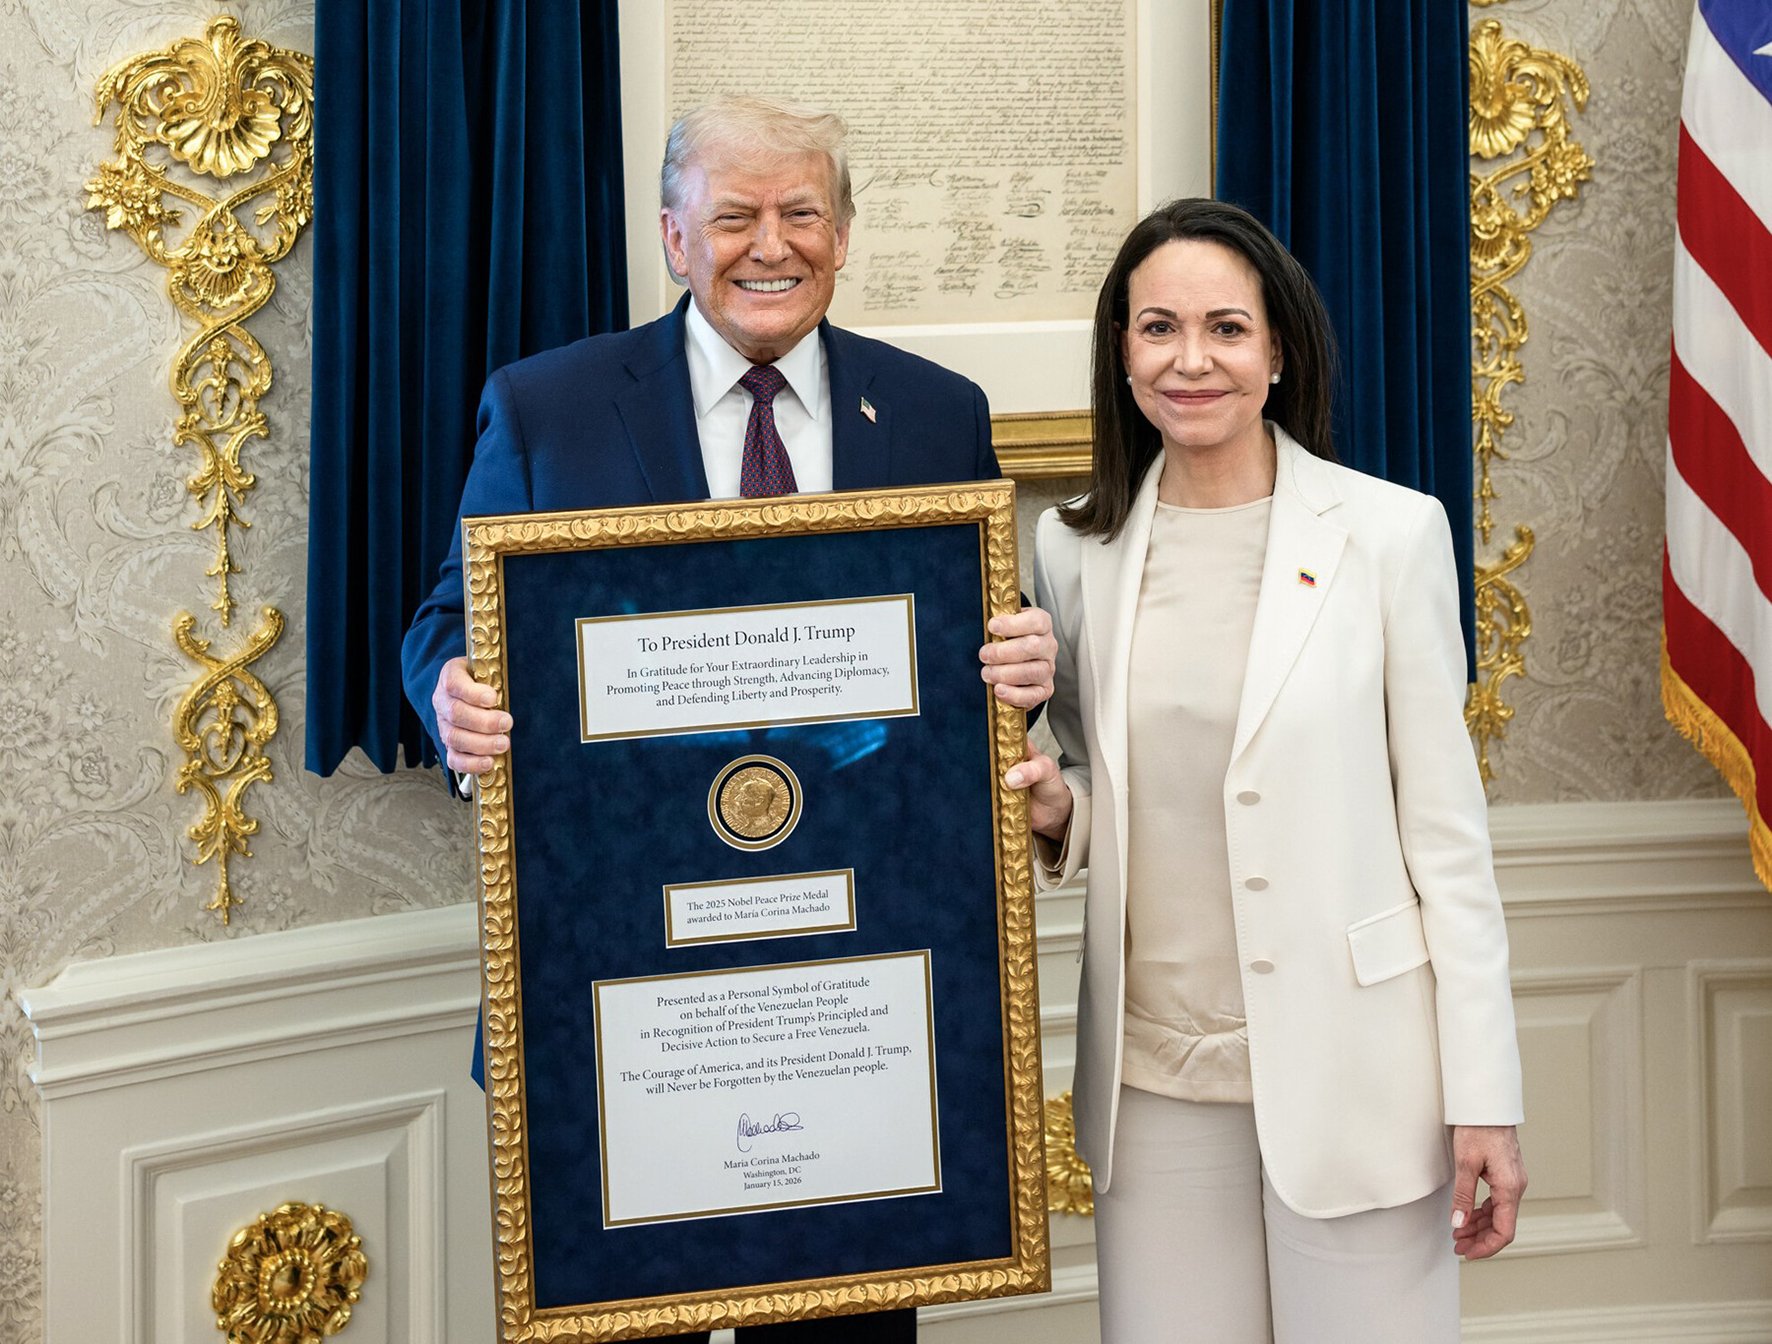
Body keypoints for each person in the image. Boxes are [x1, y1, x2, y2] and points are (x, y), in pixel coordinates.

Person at [401, 97, 1056, 1344]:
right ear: (672, 236)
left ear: (843, 233)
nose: (773, 245)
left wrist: (1017, 656)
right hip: (618, 975)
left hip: (852, 982)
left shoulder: (933, 413)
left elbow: (967, 639)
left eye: (802, 213)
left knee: (841, 1325)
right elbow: (450, 619)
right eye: (736, 216)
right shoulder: (549, 406)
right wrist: (451, 695)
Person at [1004, 198, 1526, 1343]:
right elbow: (1105, 778)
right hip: (1151, 1084)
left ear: (1278, 352)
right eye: (1156, 329)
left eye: (1225, 329)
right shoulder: (1070, 549)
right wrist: (1057, 809)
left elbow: (1445, 835)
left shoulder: (1388, 535)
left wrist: (1484, 1095)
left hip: (1357, 1073)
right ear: (1120, 352)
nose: (1190, 360)